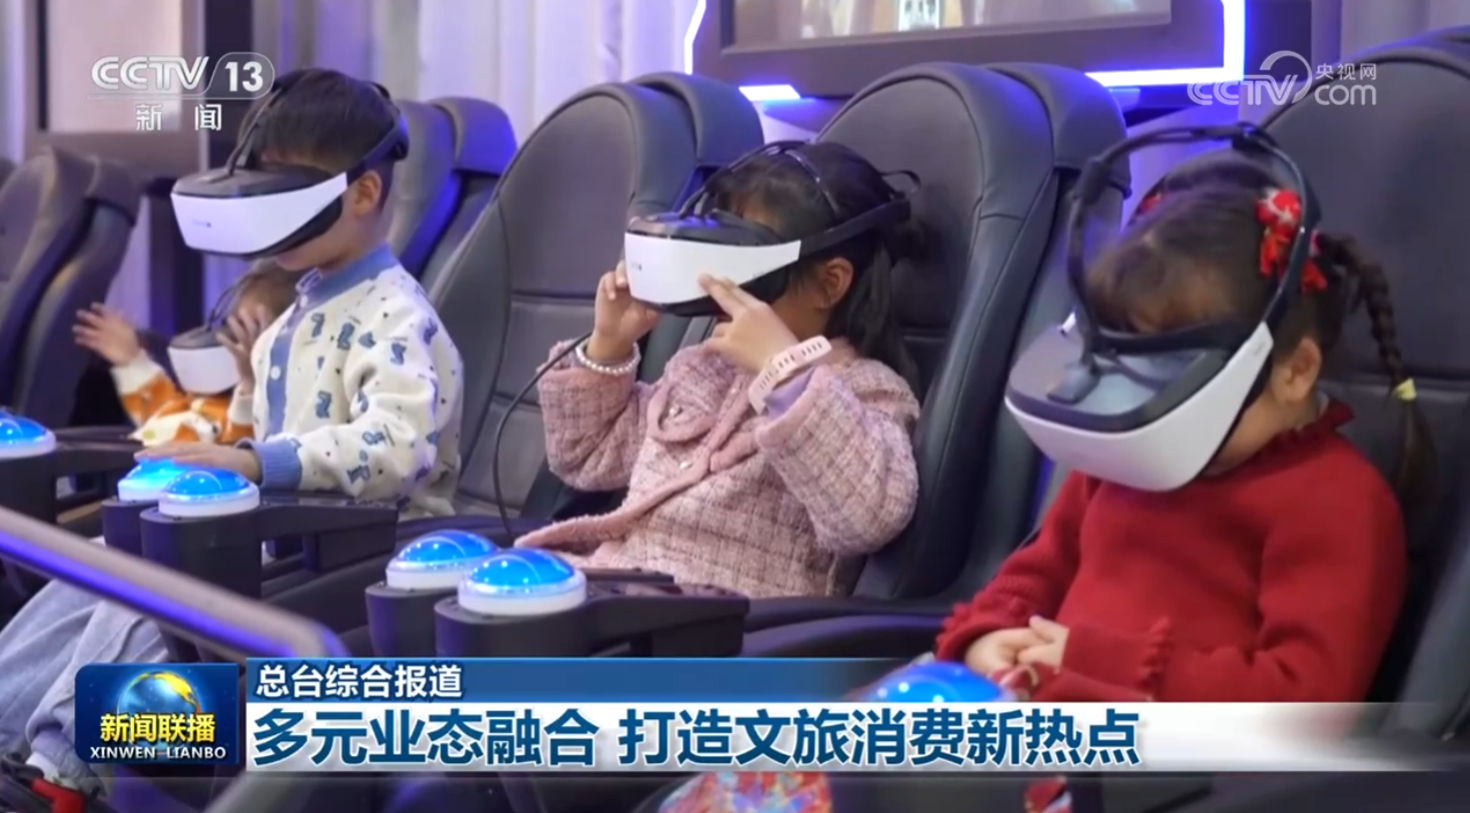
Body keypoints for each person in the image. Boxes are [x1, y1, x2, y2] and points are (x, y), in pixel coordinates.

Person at [0, 67, 464, 806]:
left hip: (361, 545)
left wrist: (250, 461)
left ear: (363, 193)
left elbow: (396, 449)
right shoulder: (294, 313)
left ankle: (59, 772)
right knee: (102, 567)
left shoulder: (397, 316)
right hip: (278, 528)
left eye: (283, 187)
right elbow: (270, 426)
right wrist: (245, 391)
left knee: (157, 596)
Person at [516, 141, 921, 600]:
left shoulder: (870, 390)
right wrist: (609, 345)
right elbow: (585, 459)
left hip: (711, 625)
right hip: (611, 592)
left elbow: (869, 516)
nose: (723, 284)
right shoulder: (704, 368)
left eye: (745, 266)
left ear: (829, 284)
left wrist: (785, 370)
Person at [72, 262, 296, 447]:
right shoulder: (209, 402)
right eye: (234, 325)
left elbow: (240, 451)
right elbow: (162, 413)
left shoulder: (267, 417)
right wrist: (131, 359)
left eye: (250, 330)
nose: (235, 339)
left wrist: (250, 385)